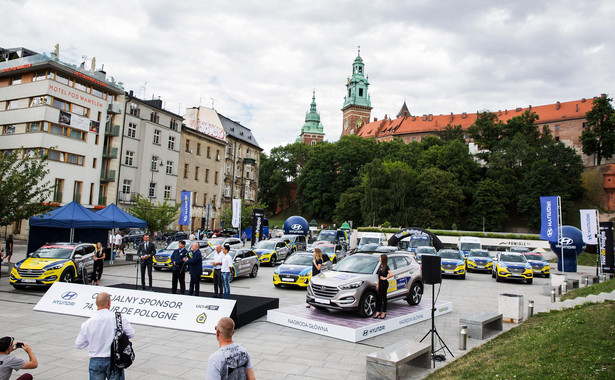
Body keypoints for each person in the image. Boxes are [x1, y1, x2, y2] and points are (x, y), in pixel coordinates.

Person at [75, 292, 135, 380]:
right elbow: (131, 333)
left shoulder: (87, 324)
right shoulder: (118, 318)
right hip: (114, 360)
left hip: (96, 360)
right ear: (109, 303)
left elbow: (79, 344)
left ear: (96, 304)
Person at [373, 254, 393, 320]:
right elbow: (379, 276)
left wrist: (385, 278)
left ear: (383, 259)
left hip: (384, 284)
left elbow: (391, 274)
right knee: (379, 298)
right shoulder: (380, 266)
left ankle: (384, 312)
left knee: (384, 298)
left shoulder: (386, 266)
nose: (379, 258)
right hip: (380, 283)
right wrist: (378, 284)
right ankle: (378, 311)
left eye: (380, 257)